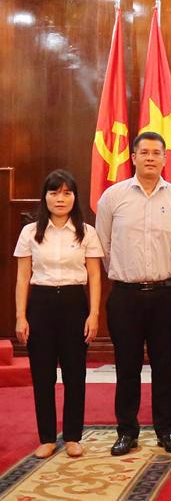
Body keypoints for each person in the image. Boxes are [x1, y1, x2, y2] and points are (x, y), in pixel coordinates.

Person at [96, 131, 171, 456]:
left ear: (165, 158)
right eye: (144, 152)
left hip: (166, 294)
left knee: (166, 366)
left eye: (156, 153)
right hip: (126, 296)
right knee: (127, 366)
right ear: (133, 157)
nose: (150, 158)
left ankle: (167, 431)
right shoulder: (112, 197)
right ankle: (127, 431)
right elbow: (104, 246)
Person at [14, 170, 103, 459]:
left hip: (74, 304)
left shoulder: (87, 232)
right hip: (40, 304)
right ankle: (47, 437)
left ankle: (74, 436)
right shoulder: (30, 232)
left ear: (75, 197)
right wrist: (20, 315)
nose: (60, 198)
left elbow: (94, 275)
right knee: (43, 375)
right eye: (54, 192)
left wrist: (93, 314)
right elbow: (22, 276)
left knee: (75, 374)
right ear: (45, 197)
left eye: (66, 192)